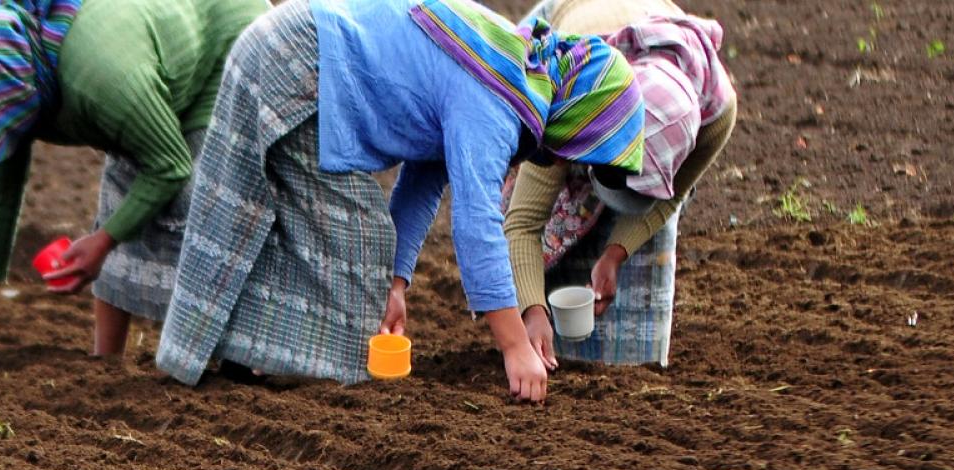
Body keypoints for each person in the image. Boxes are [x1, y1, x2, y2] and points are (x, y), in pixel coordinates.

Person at [153, 0, 646, 402]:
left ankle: (238, 352)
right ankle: (306, 369)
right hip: (298, 59)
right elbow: (477, 224)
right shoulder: (497, 97)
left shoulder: (505, 63)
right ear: (580, 116)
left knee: (310, 223)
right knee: (359, 233)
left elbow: (422, 180)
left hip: (288, 46)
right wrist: (515, 347)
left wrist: (397, 282)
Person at [0, 0, 271, 357]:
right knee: (120, 200)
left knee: (200, 210)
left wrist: (103, 240)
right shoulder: (20, 77)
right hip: (145, 68)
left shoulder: (101, 83)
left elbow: (169, 165)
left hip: (224, 38)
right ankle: (106, 361)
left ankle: (236, 355)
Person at [507, 0, 735, 369]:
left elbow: (670, 195)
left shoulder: (715, 111)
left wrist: (615, 254)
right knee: (521, 168)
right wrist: (532, 311)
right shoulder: (568, 94)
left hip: (646, 18)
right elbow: (523, 223)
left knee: (644, 248)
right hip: (570, 18)